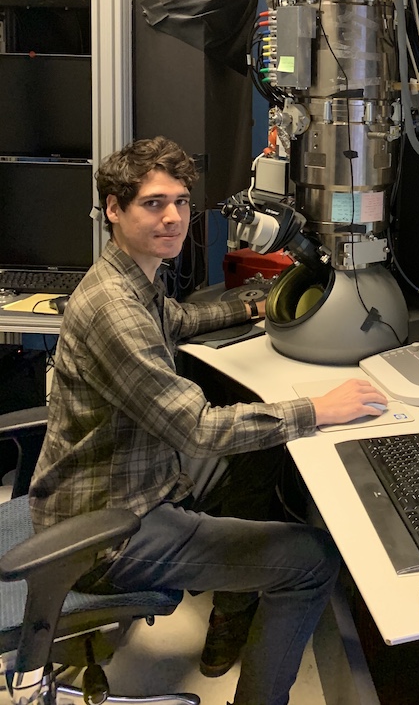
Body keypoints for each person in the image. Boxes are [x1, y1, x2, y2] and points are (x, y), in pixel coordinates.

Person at [29, 136, 388, 705]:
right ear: (114, 209)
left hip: (120, 486)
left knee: (262, 455)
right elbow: (196, 429)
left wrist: (251, 304)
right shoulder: (115, 311)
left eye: (180, 202)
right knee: (313, 561)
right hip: (110, 533)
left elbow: (172, 319)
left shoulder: (127, 277)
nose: (172, 217)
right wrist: (318, 408)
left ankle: (230, 616)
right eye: (152, 203)